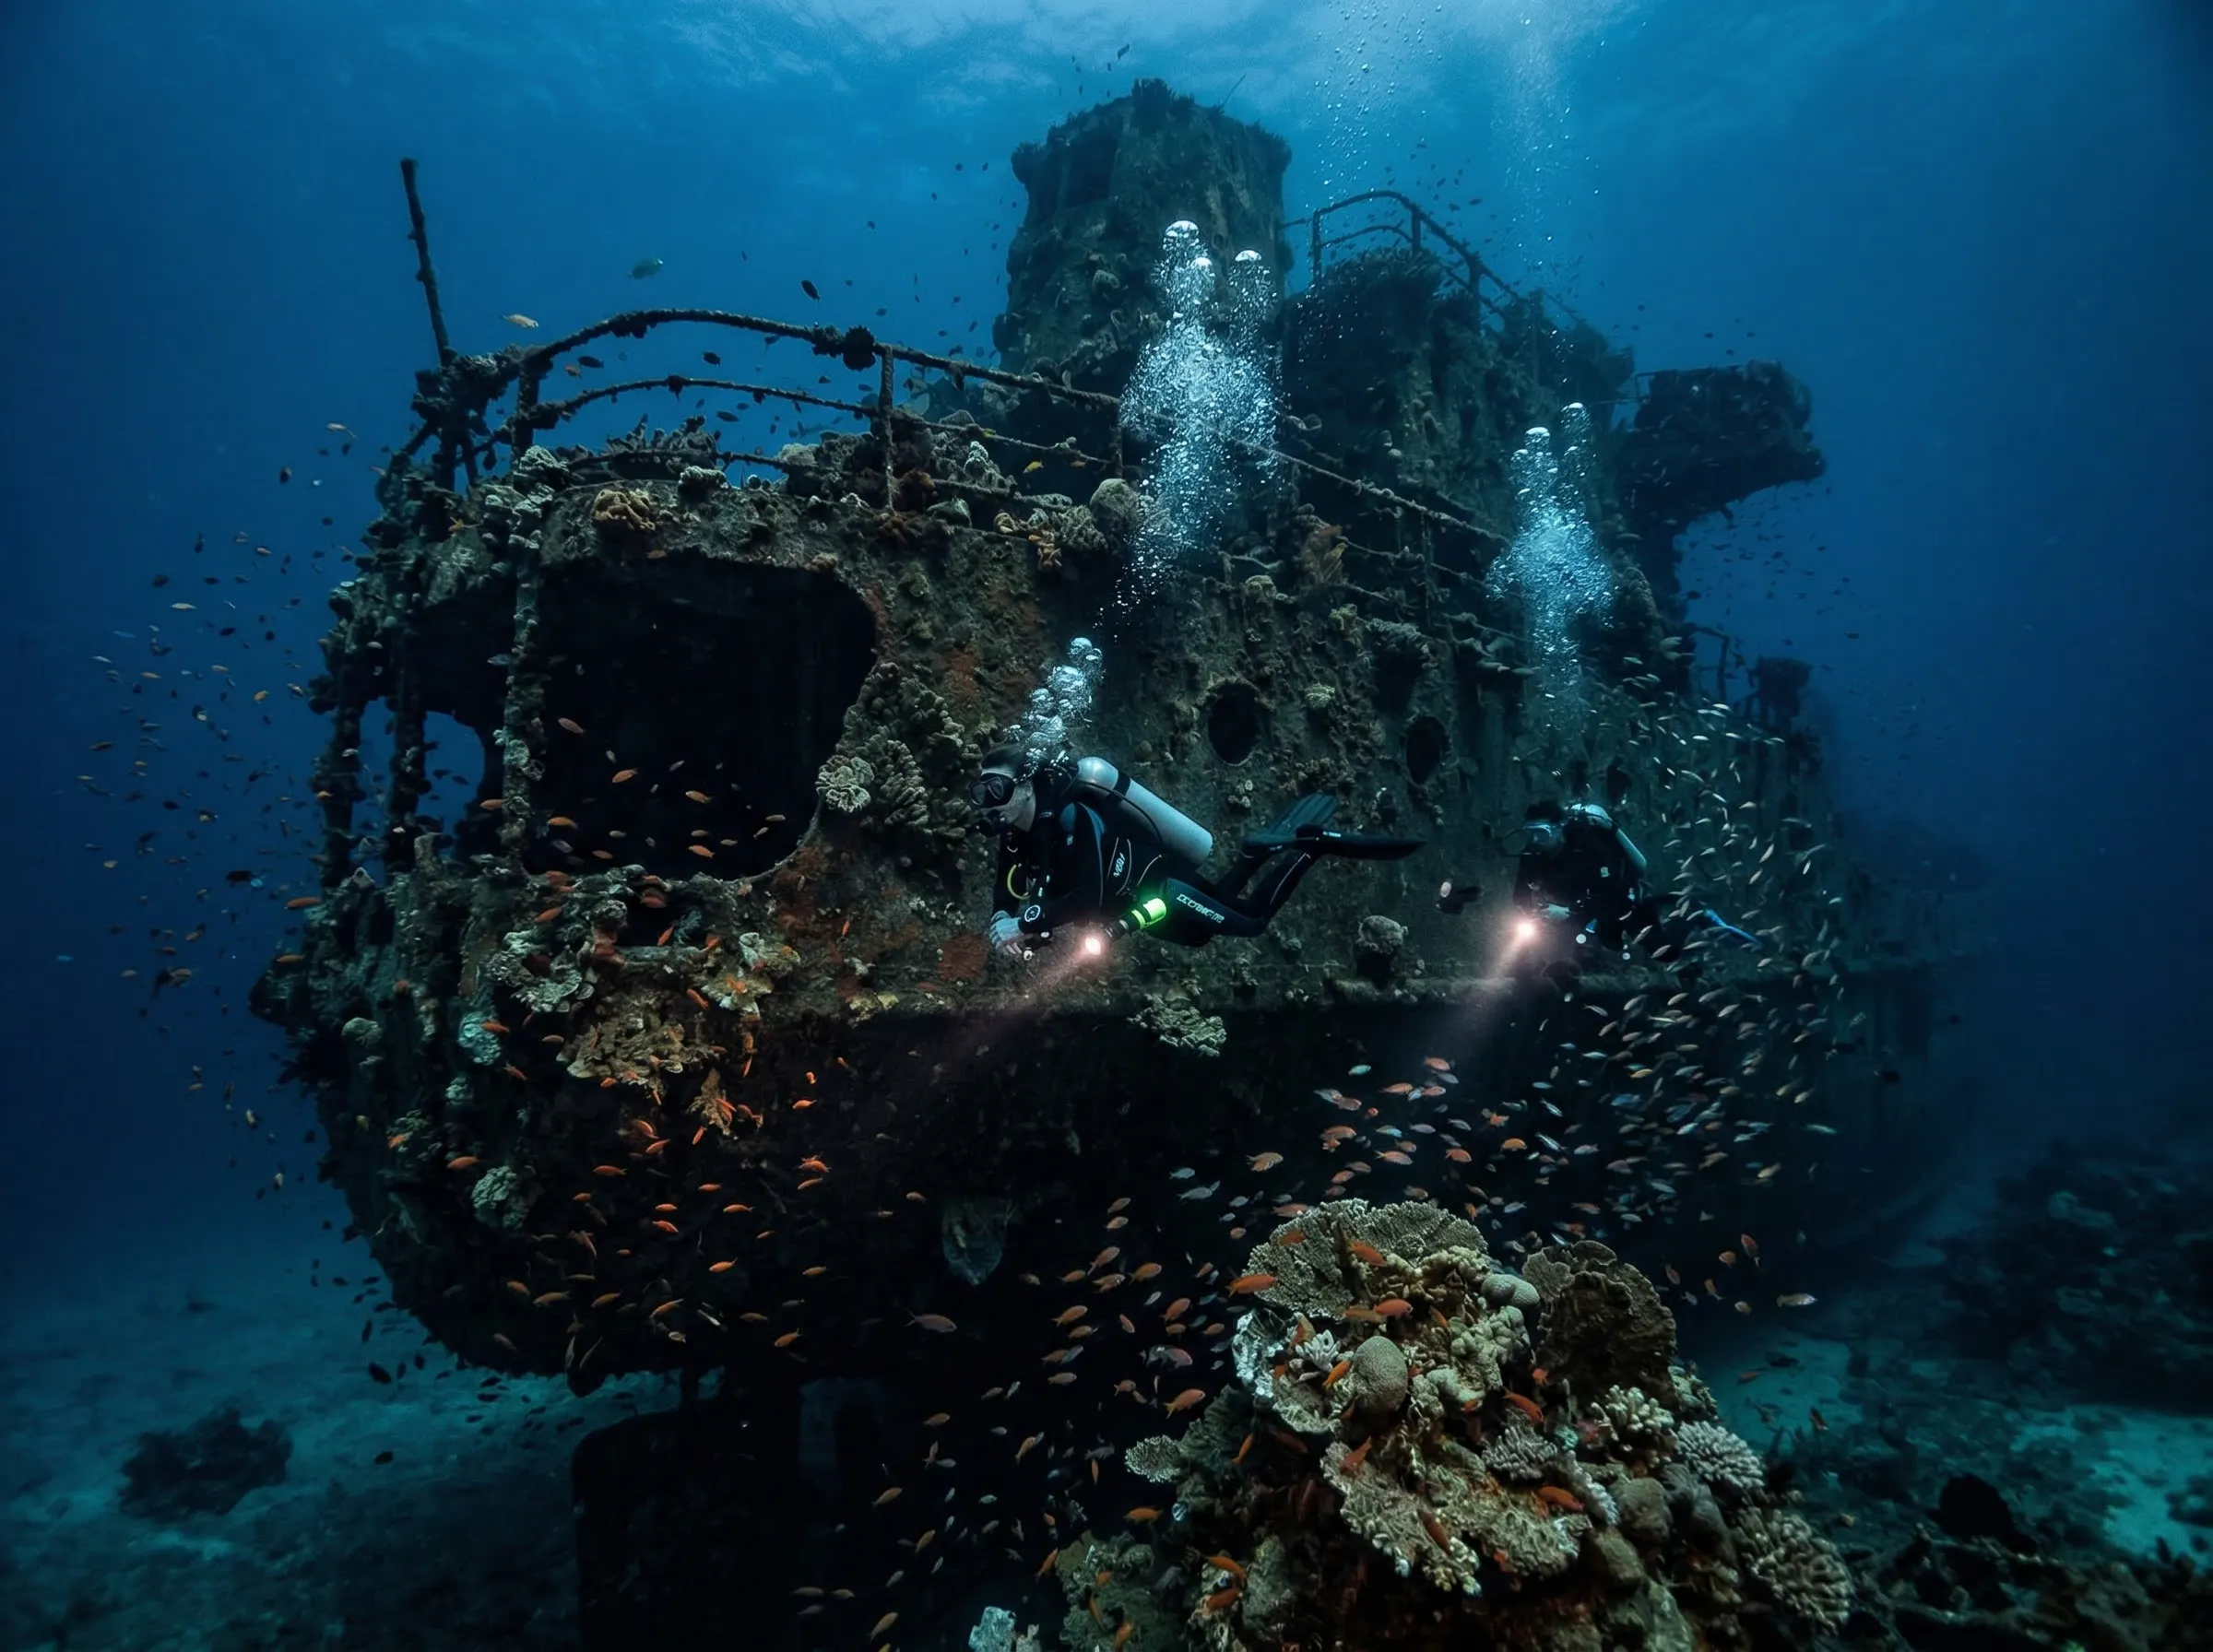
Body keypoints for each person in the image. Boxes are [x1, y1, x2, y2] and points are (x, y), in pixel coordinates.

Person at [968, 746, 1422, 955]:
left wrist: (1027, 922)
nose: (990, 802)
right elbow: (1005, 890)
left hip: (1160, 889)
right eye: (980, 791)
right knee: (1202, 934)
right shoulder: (1018, 834)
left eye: (997, 788)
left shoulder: (1071, 818)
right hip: (1141, 904)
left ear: (1026, 784)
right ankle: (1251, 854)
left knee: (1253, 923)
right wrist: (1000, 922)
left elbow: (1086, 896)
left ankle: (1313, 849)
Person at [1513, 799, 1760, 956]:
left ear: (1559, 828)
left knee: (1665, 953)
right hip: (1588, 913)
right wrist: (1531, 916)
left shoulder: (1589, 848)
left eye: (1541, 833)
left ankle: (1696, 914)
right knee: (1604, 946)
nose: (1535, 840)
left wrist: (1569, 913)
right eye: (1529, 833)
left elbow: (1612, 893)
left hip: (1624, 904)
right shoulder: (1531, 855)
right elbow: (1520, 896)